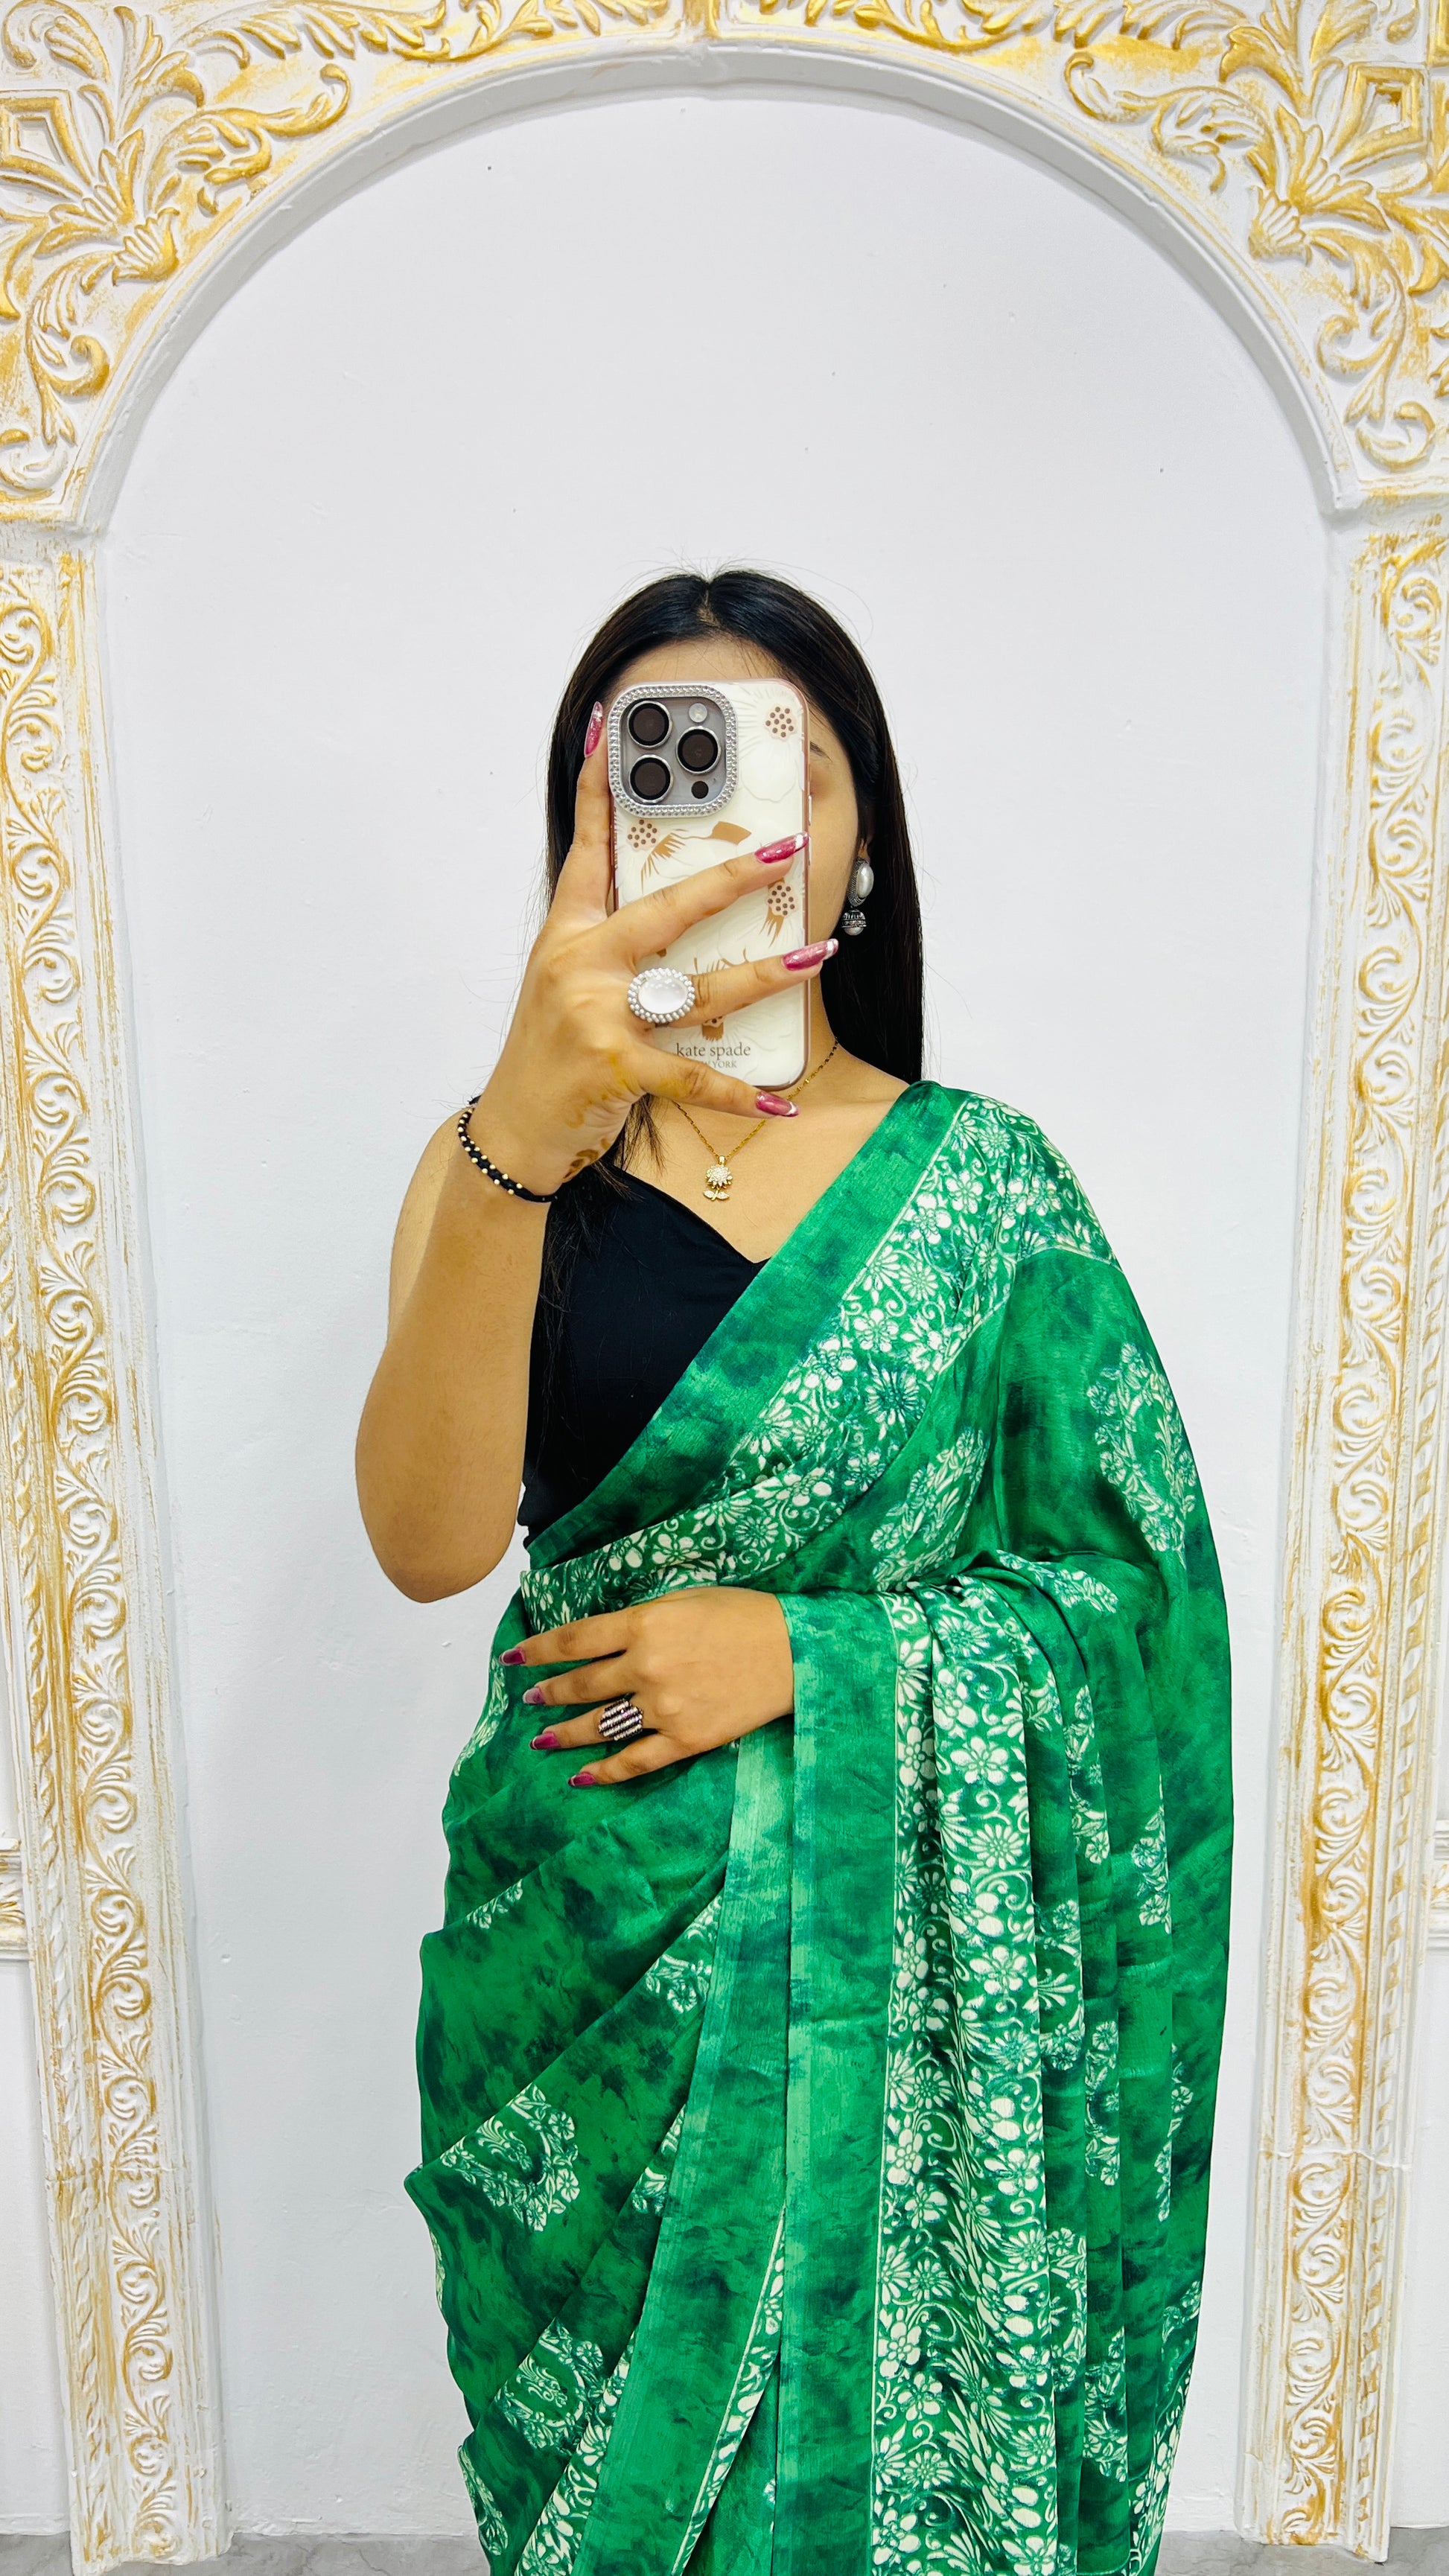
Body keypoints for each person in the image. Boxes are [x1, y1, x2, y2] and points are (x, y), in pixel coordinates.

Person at [354, 570, 1232, 2576]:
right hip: (588, 1959)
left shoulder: (986, 1187)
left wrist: (818, 1659)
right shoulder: (496, 1166)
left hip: (911, 2028)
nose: (734, 820)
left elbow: (1140, 1615)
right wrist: (521, 1126)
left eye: (791, 768)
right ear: (582, 837)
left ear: (862, 841)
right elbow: (423, 1542)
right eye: (656, 774)